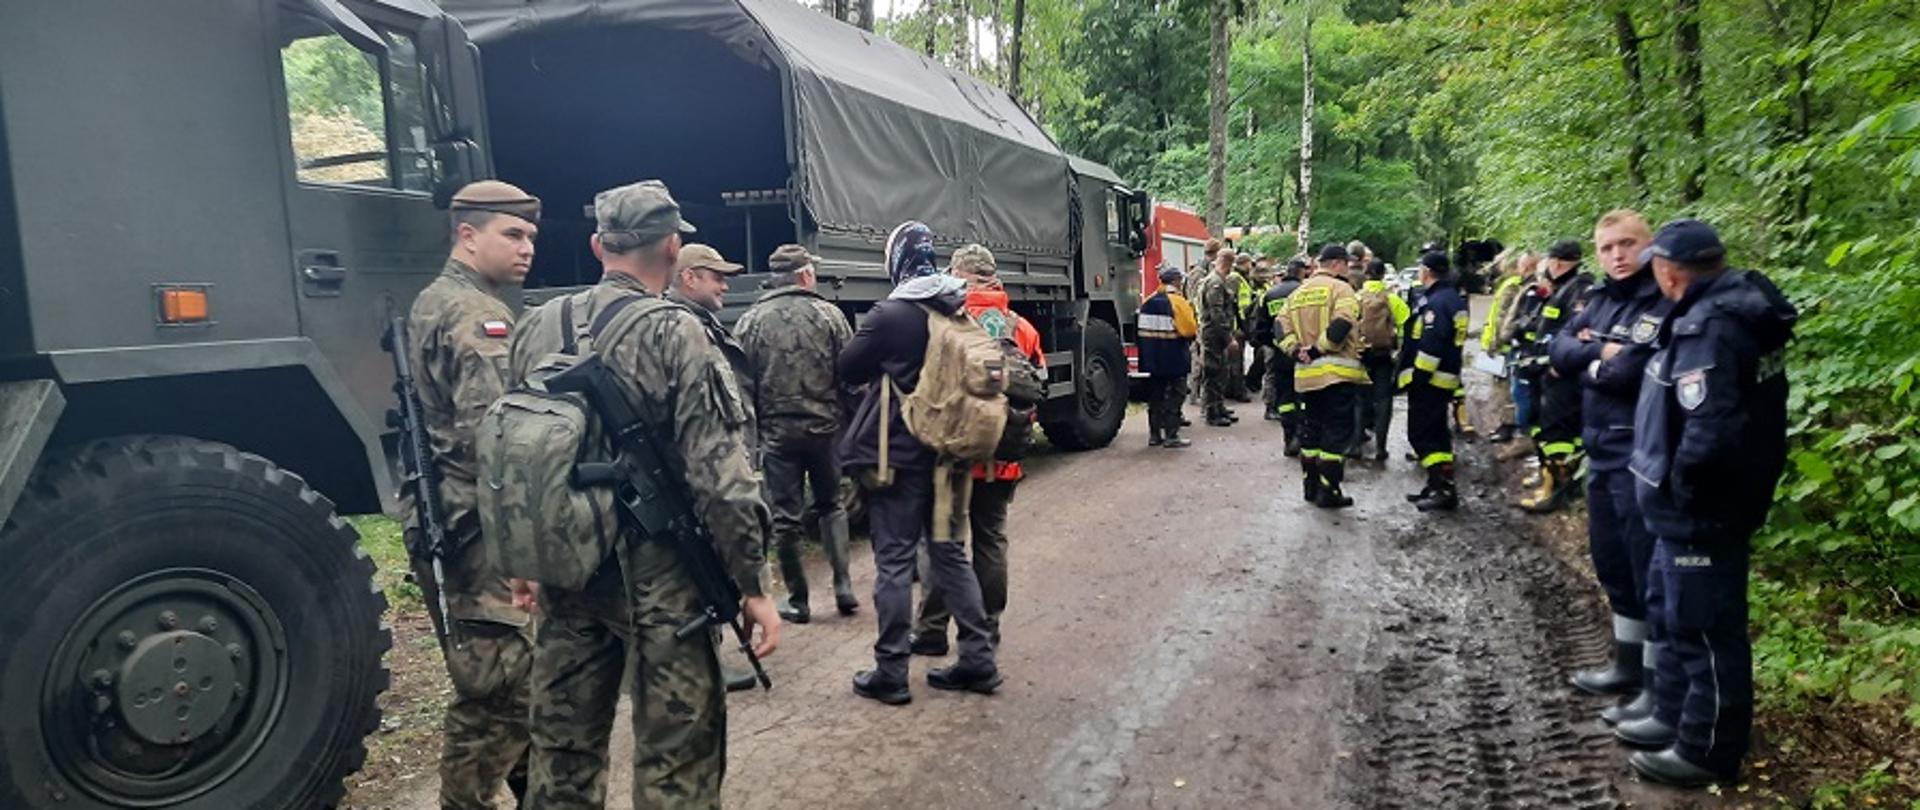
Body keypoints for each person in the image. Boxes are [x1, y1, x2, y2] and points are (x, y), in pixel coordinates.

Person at [513, 180, 780, 808]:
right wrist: (753, 585)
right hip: (665, 582)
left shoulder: (535, 326)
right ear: (672, 245)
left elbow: (510, 451)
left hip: (565, 570)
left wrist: (520, 556)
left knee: (562, 757)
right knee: (676, 765)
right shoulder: (677, 332)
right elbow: (722, 476)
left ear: (597, 244)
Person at [1617, 219, 1795, 788]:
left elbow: (1711, 428)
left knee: (1705, 627)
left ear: (1669, 273)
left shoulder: (1711, 328)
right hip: (1689, 510)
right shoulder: (1722, 311)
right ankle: (1669, 711)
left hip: (1703, 509)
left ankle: (1706, 747)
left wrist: (1683, 491)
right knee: (1671, 614)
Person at [406, 180, 538, 810]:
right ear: (467, 235)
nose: (526, 248)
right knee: (499, 686)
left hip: (457, 517)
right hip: (480, 527)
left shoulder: (436, 300)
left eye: (530, 237)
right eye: (512, 234)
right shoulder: (472, 312)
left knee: (515, 680)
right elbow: (495, 437)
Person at [839, 221, 1001, 705]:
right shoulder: (955, 308)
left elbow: (848, 367)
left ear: (896, 260)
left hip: (900, 461)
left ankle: (891, 672)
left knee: (893, 561)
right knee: (950, 555)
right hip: (950, 455)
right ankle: (978, 660)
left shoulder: (890, 315)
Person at [1549, 210, 1665, 719]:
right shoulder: (1595, 300)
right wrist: (1600, 355)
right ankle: (1628, 664)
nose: (1617, 255)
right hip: (1599, 452)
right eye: (1607, 248)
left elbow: (1631, 372)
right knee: (1612, 563)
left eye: (1627, 244)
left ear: (1649, 245)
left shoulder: (1662, 300)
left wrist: (1589, 358)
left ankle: (1657, 688)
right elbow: (1557, 349)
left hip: (1641, 457)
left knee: (1649, 572)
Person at [911, 244, 1046, 651]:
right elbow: (1037, 386)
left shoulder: (939, 322)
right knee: (991, 538)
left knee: (942, 540)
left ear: (956, 274)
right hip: (1002, 454)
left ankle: (932, 631)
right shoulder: (1020, 327)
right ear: (993, 276)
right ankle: (988, 628)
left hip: (951, 454)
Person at [734, 244, 858, 624]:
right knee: (831, 505)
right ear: (805, 275)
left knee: (785, 519)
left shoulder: (751, 322)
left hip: (777, 438)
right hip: (826, 433)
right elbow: (850, 377)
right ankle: (842, 587)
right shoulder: (830, 315)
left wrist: (752, 439)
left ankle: (799, 600)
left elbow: (741, 387)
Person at [666, 244, 764, 693]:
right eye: (715, 276)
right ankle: (706, 661)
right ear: (689, 278)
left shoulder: (701, 324)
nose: (725, 284)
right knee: (701, 562)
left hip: (722, 458)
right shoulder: (682, 329)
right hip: (703, 471)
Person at [1280, 244, 1367, 508]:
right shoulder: (1342, 289)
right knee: (1336, 433)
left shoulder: (1297, 293)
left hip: (1307, 376)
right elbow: (1342, 323)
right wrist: (1318, 349)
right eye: (1348, 265)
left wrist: (1296, 352)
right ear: (1338, 264)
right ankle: (1329, 491)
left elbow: (1280, 327)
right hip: (1337, 374)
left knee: (1311, 432)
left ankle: (1310, 486)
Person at [1513, 239, 1594, 512]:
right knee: (1543, 429)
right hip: (1546, 374)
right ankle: (1547, 479)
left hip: (1563, 379)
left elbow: (1575, 336)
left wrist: (1554, 364)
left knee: (1557, 436)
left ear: (1556, 263)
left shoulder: (1580, 291)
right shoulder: (1562, 289)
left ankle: (1555, 492)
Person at [1396, 251, 1467, 511]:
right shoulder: (1452, 298)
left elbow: (1432, 345)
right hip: (1445, 378)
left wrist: (1419, 378)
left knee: (1422, 434)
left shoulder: (1437, 303)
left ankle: (1443, 488)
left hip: (1431, 381)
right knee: (1437, 434)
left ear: (1427, 271)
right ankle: (1438, 484)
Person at [1354, 258, 1410, 462]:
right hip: (1384, 355)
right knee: (1383, 399)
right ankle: (1381, 447)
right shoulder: (1391, 298)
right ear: (1382, 274)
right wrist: (1400, 349)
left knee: (1359, 399)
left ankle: (1356, 444)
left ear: (1366, 274)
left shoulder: (1356, 297)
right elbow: (1407, 324)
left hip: (1361, 355)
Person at [1138, 264, 1198, 448]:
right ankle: (1172, 436)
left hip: (1152, 359)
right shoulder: (1178, 302)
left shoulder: (1147, 302)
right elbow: (1189, 330)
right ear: (1176, 281)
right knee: (1176, 395)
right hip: (1174, 357)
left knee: (1155, 396)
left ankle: (1154, 436)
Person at [1252, 257, 1307, 455]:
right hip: (1304, 354)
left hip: (1280, 354)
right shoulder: (1306, 293)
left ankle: (1288, 438)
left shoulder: (1269, 294)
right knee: (1303, 398)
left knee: (1284, 398)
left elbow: (1259, 330)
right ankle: (1301, 436)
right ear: (1301, 272)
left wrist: (1275, 345)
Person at [1481, 252, 1530, 443]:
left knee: (1503, 389)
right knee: (1503, 387)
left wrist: (1494, 345)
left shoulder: (1511, 286)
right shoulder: (1512, 284)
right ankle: (1506, 424)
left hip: (1502, 347)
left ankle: (1507, 426)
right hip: (1502, 345)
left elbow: (1503, 319)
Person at [1192, 247, 1242, 426]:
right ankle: (1212, 411)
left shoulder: (1218, 280)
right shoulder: (1215, 283)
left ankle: (1218, 406)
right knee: (1213, 371)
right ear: (1228, 262)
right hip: (1213, 334)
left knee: (1221, 370)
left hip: (1214, 333)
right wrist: (1228, 337)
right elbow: (1217, 313)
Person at [1225, 252, 1257, 401]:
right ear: (1244, 263)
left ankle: (1235, 388)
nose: (1251, 267)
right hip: (1236, 326)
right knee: (1235, 361)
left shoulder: (1242, 279)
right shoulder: (1235, 279)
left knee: (1237, 360)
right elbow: (1232, 304)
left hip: (1241, 324)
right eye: (1250, 264)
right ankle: (1237, 390)